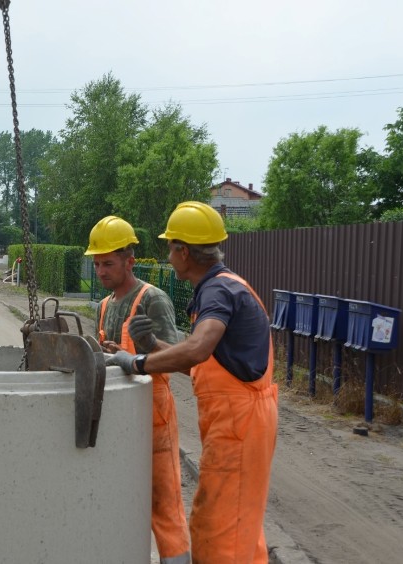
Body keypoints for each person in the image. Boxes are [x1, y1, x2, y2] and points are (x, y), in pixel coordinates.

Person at [107, 202, 279, 564]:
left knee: (218, 536)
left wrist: (138, 361)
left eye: (170, 248)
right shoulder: (227, 286)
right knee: (240, 529)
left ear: (184, 252)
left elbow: (198, 349)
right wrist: (155, 346)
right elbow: (207, 366)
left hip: (239, 424)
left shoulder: (217, 292)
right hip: (243, 421)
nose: (168, 256)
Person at [85, 216, 191, 564]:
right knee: (119, 499)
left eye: (109, 263)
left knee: (164, 504)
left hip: (152, 413)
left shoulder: (153, 299)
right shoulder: (103, 306)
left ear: (130, 261)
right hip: (115, 416)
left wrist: (146, 347)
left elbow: (177, 361)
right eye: (97, 263)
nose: (101, 271)